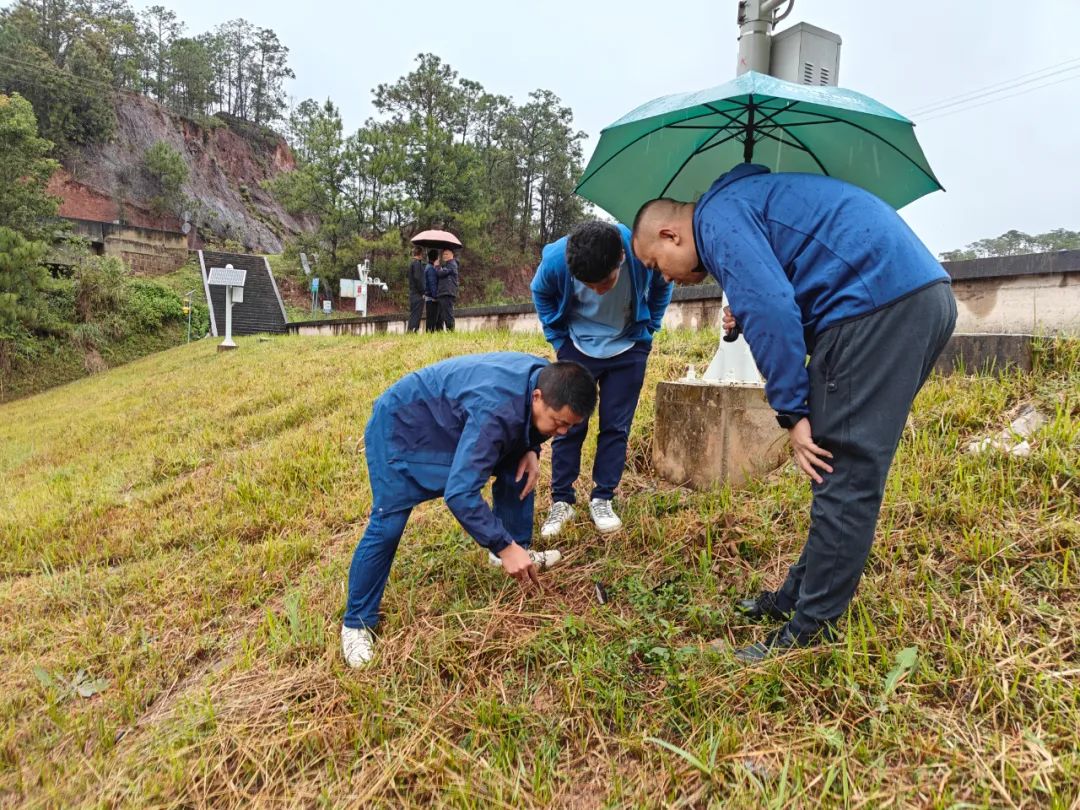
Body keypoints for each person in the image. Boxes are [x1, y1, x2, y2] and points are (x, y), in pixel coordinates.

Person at [631, 164, 957, 661]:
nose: (666, 279)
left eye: (657, 265)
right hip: (906, 296)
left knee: (842, 472)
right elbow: (789, 287)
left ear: (671, 234)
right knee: (838, 471)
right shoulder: (736, 206)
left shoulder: (717, 219)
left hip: (877, 304)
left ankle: (810, 633)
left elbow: (774, 308)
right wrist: (750, 299)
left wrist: (793, 412)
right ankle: (794, 598)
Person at [341, 353, 598, 667]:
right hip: (399, 425)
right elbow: (460, 494)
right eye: (558, 423)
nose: (561, 433)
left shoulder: (545, 376)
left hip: (450, 419)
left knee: (517, 467)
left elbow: (523, 424)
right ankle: (356, 624)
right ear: (537, 397)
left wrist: (531, 448)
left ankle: (517, 549)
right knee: (388, 523)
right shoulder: (496, 410)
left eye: (570, 427)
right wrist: (503, 546)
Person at [531, 220, 673, 538]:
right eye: (588, 284)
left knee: (615, 426)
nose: (595, 291)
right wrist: (559, 342)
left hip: (628, 348)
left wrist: (649, 330)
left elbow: (665, 283)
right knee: (568, 426)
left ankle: (603, 498)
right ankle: (562, 501)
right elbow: (539, 292)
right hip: (577, 348)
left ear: (620, 258)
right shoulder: (557, 259)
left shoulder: (641, 250)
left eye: (603, 283)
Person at [435, 248, 459, 331]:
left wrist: (437, 266)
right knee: (442, 315)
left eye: (446, 254)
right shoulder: (447, 264)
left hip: (447, 293)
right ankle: (442, 331)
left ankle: (451, 331)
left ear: (452, 255)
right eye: (443, 254)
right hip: (443, 292)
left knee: (448, 314)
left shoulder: (452, 264)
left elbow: (441, 273)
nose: (444, 256)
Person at [406, 245, 426, 333]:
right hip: (417, 293)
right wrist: (423, 291)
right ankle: (413, 330)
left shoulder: (412, 264)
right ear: (421, 254)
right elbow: (418, 279)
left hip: (413, 292)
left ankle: (412, 330)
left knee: (414, 312)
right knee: (416, 313)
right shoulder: (417, 264)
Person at [424, 248, 440, 332]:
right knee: (432, 319)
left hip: (429, 297)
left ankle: (430, 333)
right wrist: (436, 297)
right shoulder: (430, 269)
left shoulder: (429, 267)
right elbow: (432, 284)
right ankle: (430, 334)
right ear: (436, 258)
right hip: (432, 298)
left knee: (431, 318)